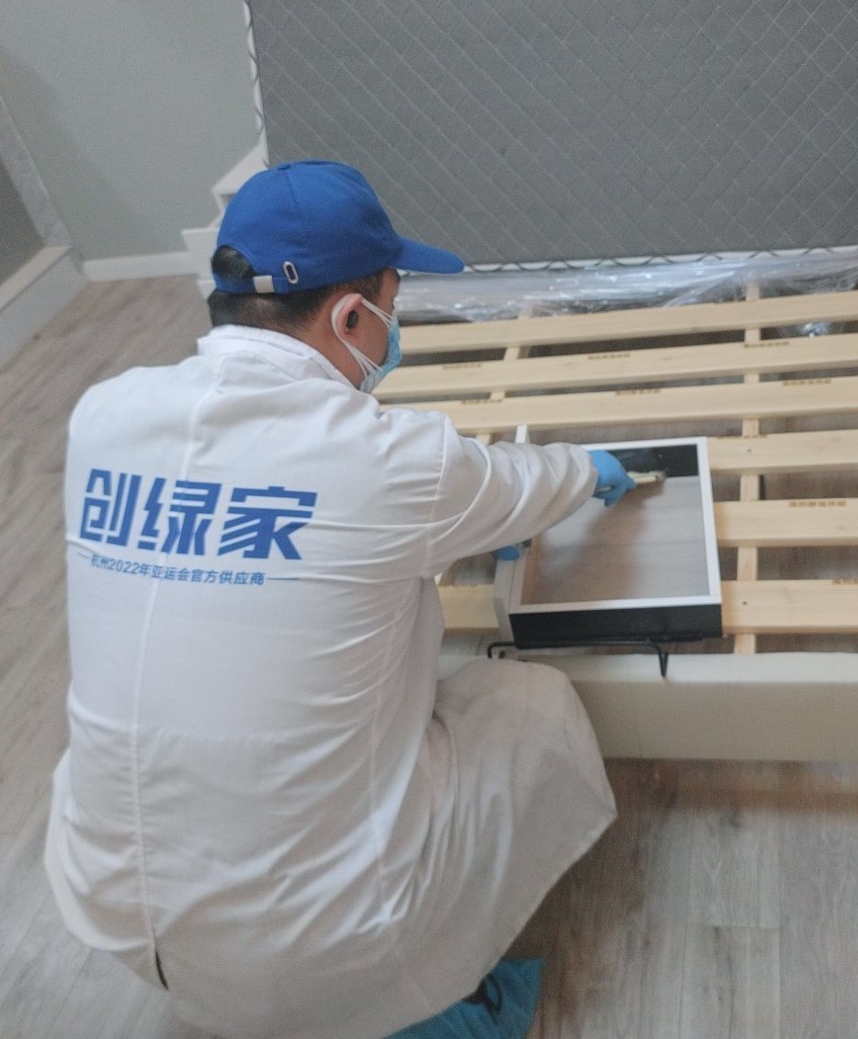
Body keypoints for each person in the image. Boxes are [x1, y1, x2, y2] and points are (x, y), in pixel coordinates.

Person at [45, 160, 636, 1039]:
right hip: (316, 937)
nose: (394, 327)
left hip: (109, 901)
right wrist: (588, 470)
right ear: (352, 316)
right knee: (528, 704)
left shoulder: (103, 413)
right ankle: (400, 994)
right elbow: (520, 482)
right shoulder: (392, 459)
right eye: (393, 304)